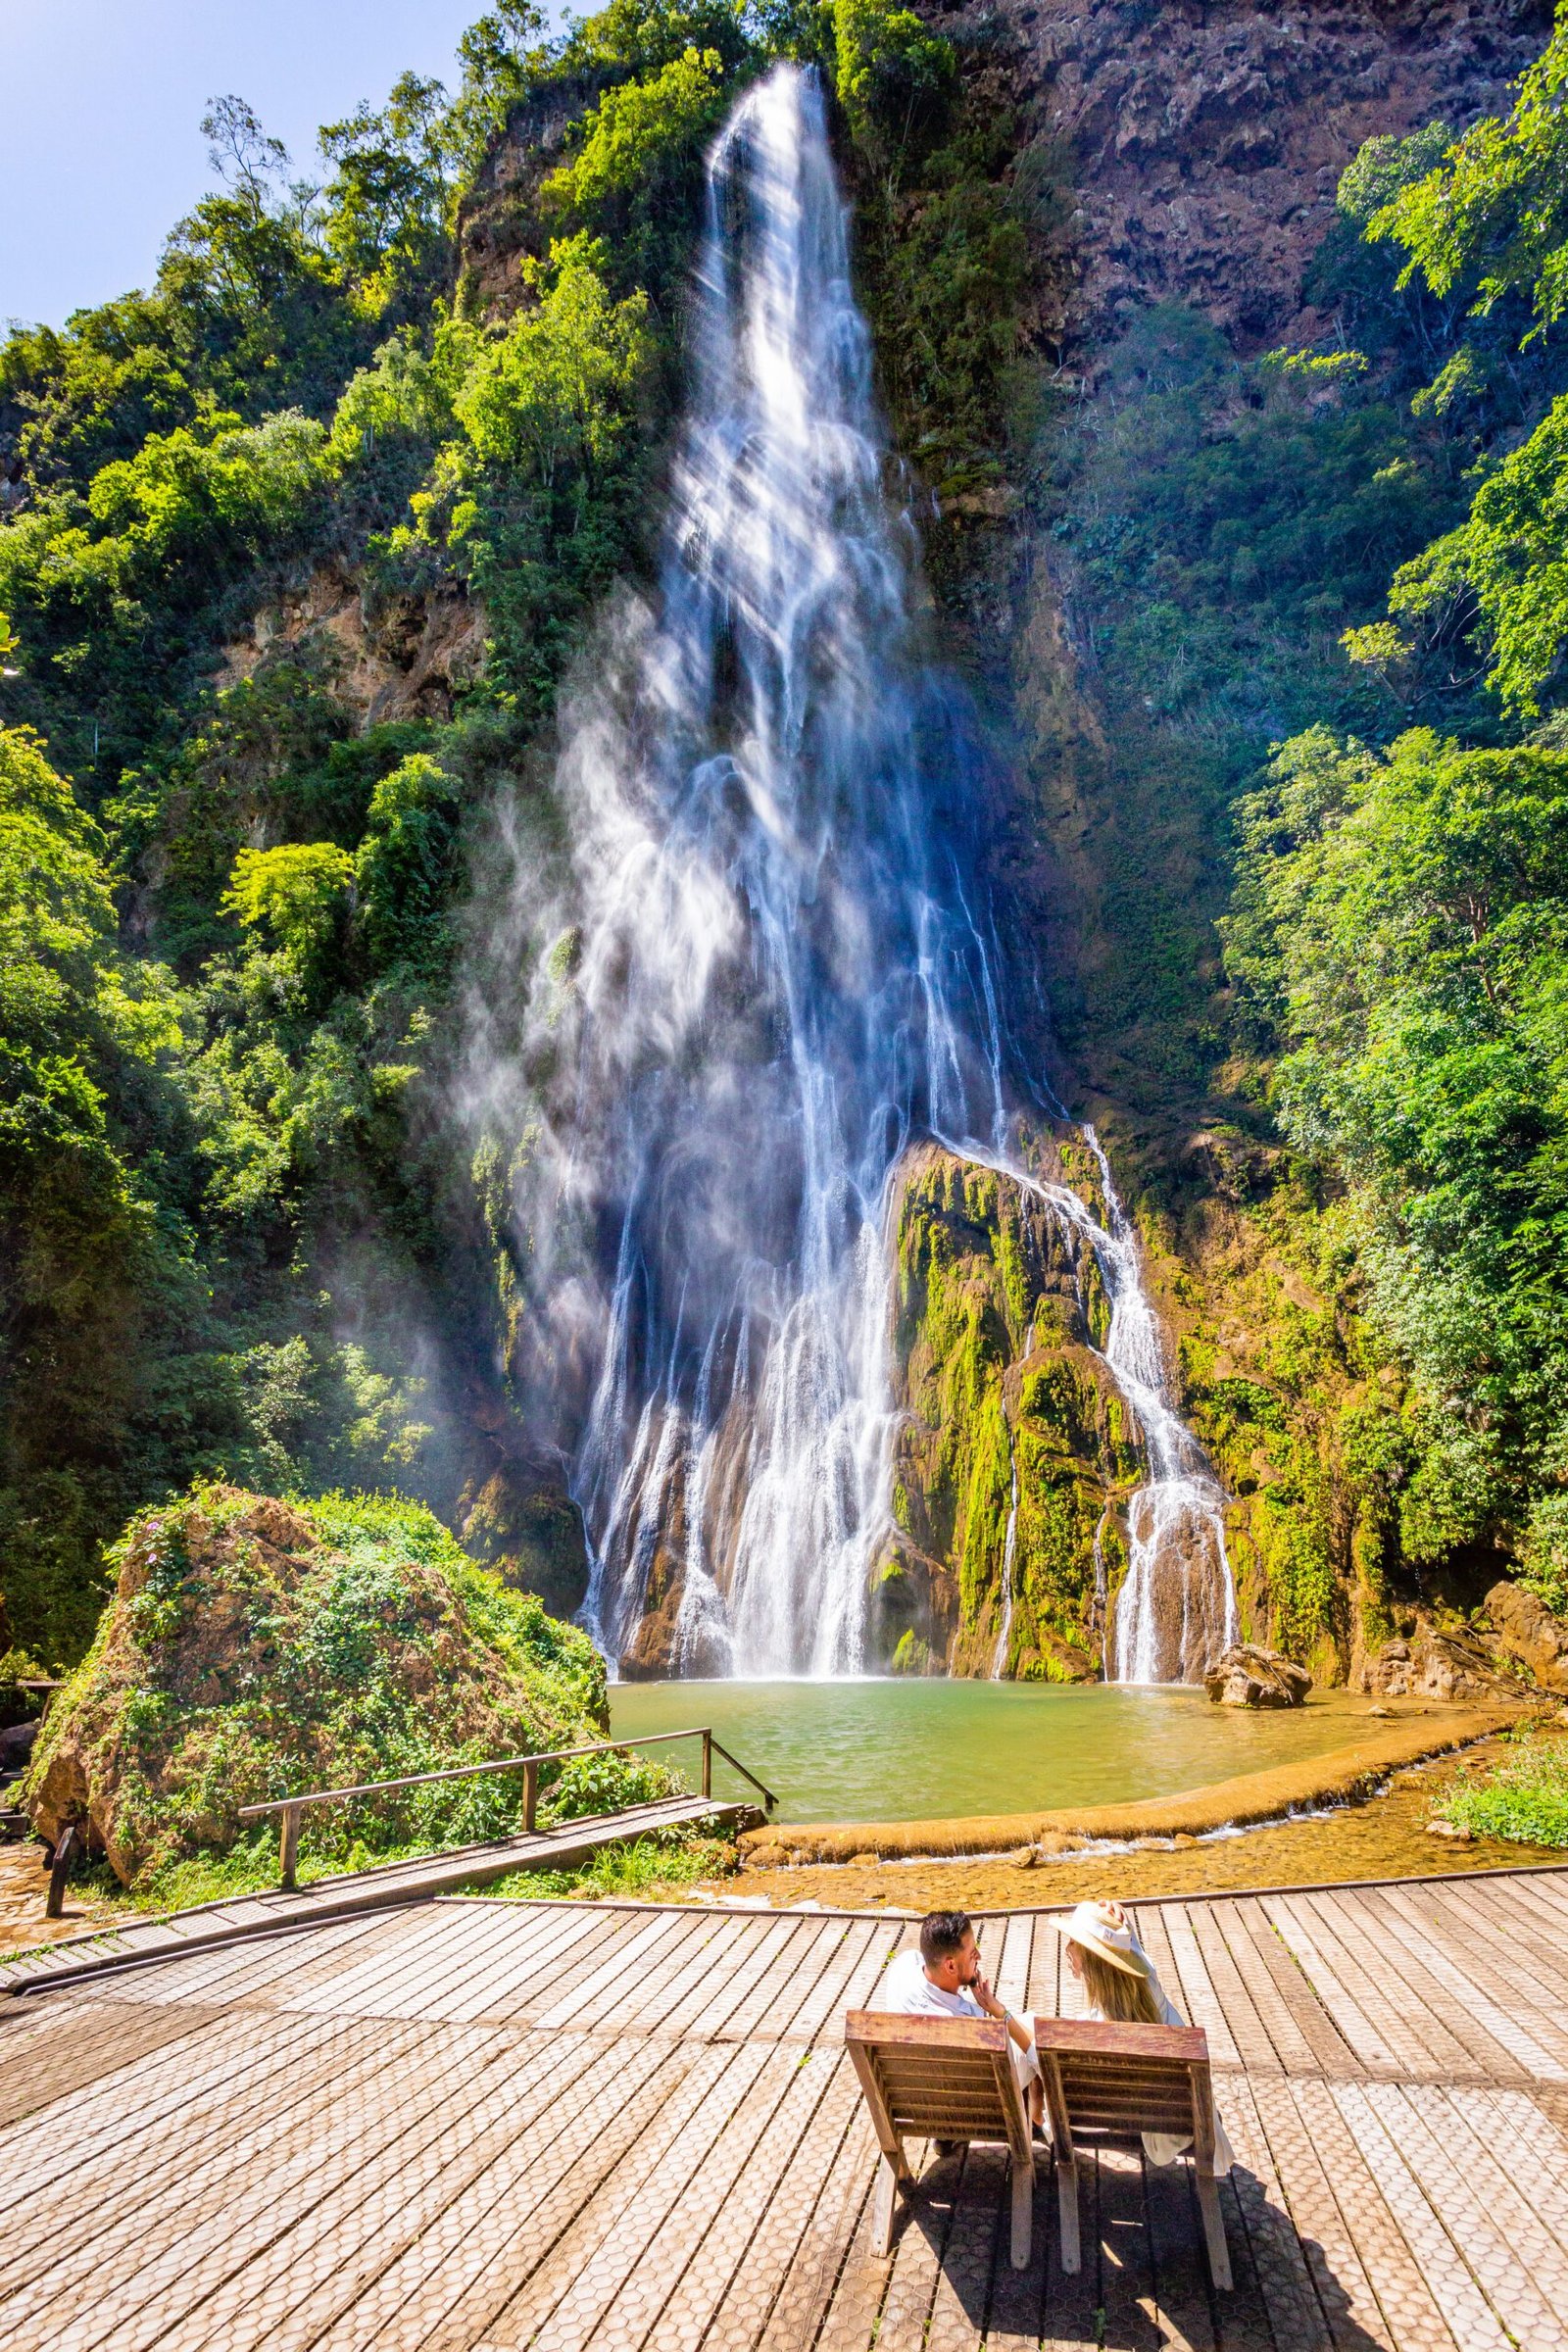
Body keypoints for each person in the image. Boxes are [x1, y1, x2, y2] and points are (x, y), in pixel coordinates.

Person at [1054, 1899, 1236, 2171]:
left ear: (1092, 1957)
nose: (1066, 1949)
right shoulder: (1149, 1984)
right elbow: (1133, 1955)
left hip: (1127, 2115)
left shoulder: (1094, 2031)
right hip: (1177, 2111)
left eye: (1072, 1941)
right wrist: (1122, 1926)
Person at [880, 1908, 1044, 2134]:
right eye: (972, 1954)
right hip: (970, 2102)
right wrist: (996, 2010)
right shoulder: (966, 2025)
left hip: (920, 2101)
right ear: (950, 1966)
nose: (979, 1957)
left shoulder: (902, 1967)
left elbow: (918, 1960)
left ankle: (950, 2139)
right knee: (1033, 2031)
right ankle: (1036, 2120)